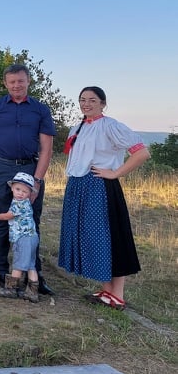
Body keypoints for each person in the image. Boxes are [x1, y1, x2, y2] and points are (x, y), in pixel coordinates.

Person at [58, 86, 150, 311]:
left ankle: (117, 294)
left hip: (100, 186)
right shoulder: (76, 128)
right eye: (82, 100)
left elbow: (141, 153)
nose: (86, 104)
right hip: (79, 186)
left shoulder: (111, 126)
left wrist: (115, 173)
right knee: (93, 238)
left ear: (102, 103)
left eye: (92, 100)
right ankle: (107, 291)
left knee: (110, 237)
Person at [0, 64, 56, 295]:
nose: (16, 85)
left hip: (30, 167)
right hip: (2, 167)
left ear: (28, 81)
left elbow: (47, 148)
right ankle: (2, 273)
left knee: (30, 222)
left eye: (20, 81)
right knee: (2, 219)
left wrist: (37, 180)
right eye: (12, 82)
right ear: (5, 83)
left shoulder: (40, 109)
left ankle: (34, 276)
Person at [0, 172, 41, 302]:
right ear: (12, 188)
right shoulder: (25, 202)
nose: (20, 193)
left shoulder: (19, 204)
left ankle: (11, 289)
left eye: (24, 191)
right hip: (32, 236)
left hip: (23, 238)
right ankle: (33, 292)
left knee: (18, 264)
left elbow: (8, 216)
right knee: (30, 264)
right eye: (18, 189)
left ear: (30, 193)